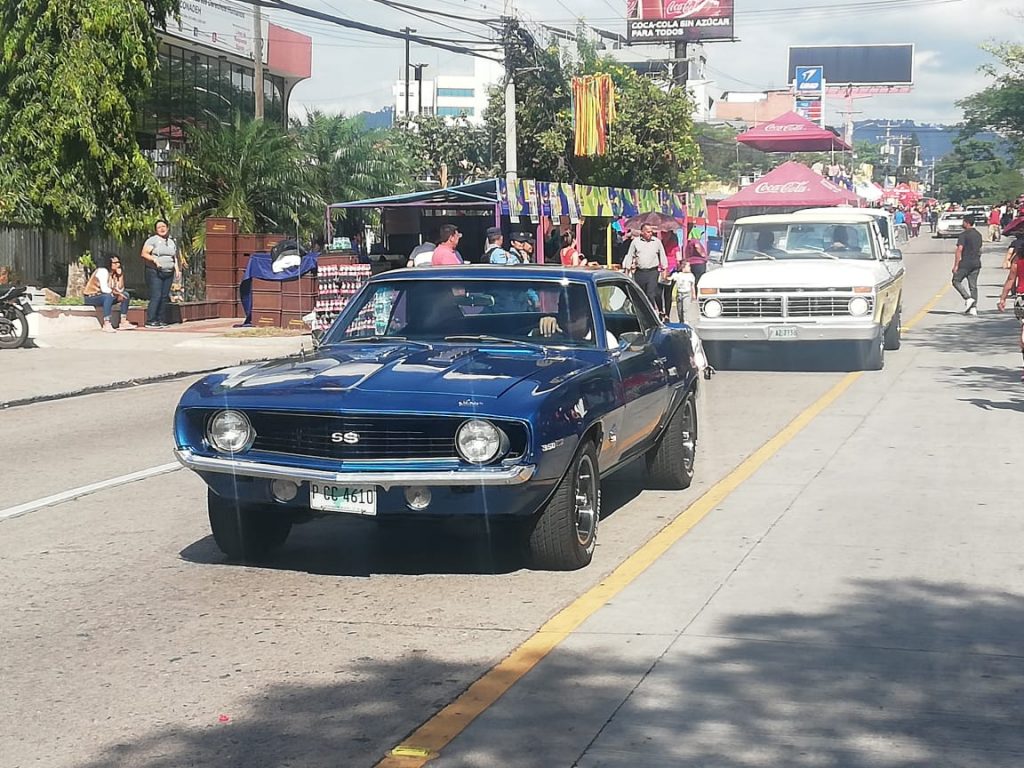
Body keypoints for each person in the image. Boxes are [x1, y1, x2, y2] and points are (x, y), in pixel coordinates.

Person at [140, 218, 179, 327]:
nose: (161, 229)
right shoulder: (153, 240)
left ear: (168, 228)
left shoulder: (171, 242)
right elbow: (144, 253)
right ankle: (151, 319)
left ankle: (161, 319)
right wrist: (155, 260)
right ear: (156, 230)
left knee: (164, 296)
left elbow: (174, 256)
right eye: (159, 227)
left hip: (168, 272)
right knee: (156, 295)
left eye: (163, 226)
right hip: (155, 272)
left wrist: (177, 269)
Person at [83, 254, 137, 332]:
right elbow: (105, 289)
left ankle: (123, 321)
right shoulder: (102, 271)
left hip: (106, 296)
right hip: (92, 296)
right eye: (115, 263)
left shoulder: (114, 273)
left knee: (125, 295)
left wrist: (120, 276)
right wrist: (117, 294)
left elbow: (120, 289)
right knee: (108, 296)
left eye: (118, 262)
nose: (118, 265)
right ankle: (106, 323)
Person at [997, 237, 1024, 381]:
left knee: (1023, 331)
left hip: (1021, 299)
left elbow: (1010, 281)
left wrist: (1002, 299)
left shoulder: (1017, 263)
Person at [623, 224, 668, 311]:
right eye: (648, 232)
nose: (650, 233)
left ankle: (652, 312)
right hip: (640, 272)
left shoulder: (656, 242)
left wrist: (664, 269)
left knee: (651, 293)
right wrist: (627, 271)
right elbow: (630, 256)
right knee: (640, 294)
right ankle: (642, 312)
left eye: (651, 232)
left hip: (652, 272)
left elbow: (662, 255)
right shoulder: (635, 242)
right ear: (642, 232)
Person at [953, 215, 984, 316]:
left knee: (956, 281)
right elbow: (980, 250)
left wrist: (956, 265)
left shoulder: (963, 235)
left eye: (963, 222)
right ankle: (973, 308)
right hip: (976, 262)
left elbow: (959, 250)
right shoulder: (978, 234)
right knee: (973, 286)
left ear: (967, 223)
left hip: (965, 263)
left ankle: (968, 298)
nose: (962, 224)